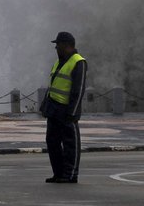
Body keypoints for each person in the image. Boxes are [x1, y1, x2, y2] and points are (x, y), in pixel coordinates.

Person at [41, 31, 87, 184]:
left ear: (67, 46)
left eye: (58, 45)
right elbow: (53, 84)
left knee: (70, 144)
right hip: (54, 109)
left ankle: (70, 175)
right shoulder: (59, 61)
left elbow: (78, 90)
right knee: (52, 142)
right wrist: (45, 105)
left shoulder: (78, 62)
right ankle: (58, 173)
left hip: (67, 110)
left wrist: (72, 112)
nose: (56, 48)